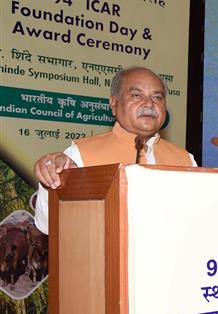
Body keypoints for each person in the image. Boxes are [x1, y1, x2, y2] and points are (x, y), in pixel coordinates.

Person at [33, 66, 197, 234]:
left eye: (157, 97)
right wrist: (50, 182)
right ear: (114, 103)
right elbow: (48, 226)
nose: (149, 104)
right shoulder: (80, 155)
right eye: (136, 95)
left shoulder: (185, 160)